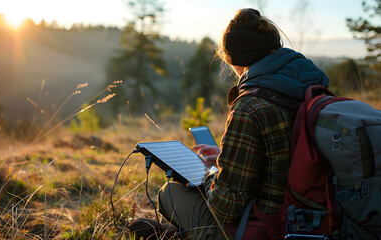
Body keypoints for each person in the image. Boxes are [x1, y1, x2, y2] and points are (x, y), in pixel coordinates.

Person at [129, 8, 329, 240]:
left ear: (237, 61)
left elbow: (226, 207)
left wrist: (211, 174)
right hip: (309, 219)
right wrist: (227, 157)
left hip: (268, 228)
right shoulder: (309, 89)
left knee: (170, 193)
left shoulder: (250, 106)